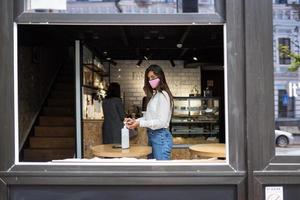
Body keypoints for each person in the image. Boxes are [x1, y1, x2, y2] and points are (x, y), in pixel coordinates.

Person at [125, 64, 174, 160]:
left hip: (160, 137)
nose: (151, 80)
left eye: (153, 77)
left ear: (160, 76)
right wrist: (135, 120)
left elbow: (161, 122)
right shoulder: (155, 95)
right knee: (153, 171)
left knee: (161, 172)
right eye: (149, 78)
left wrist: (139, 123)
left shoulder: (163, 95)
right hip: (153, 136)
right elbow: (148, 117)